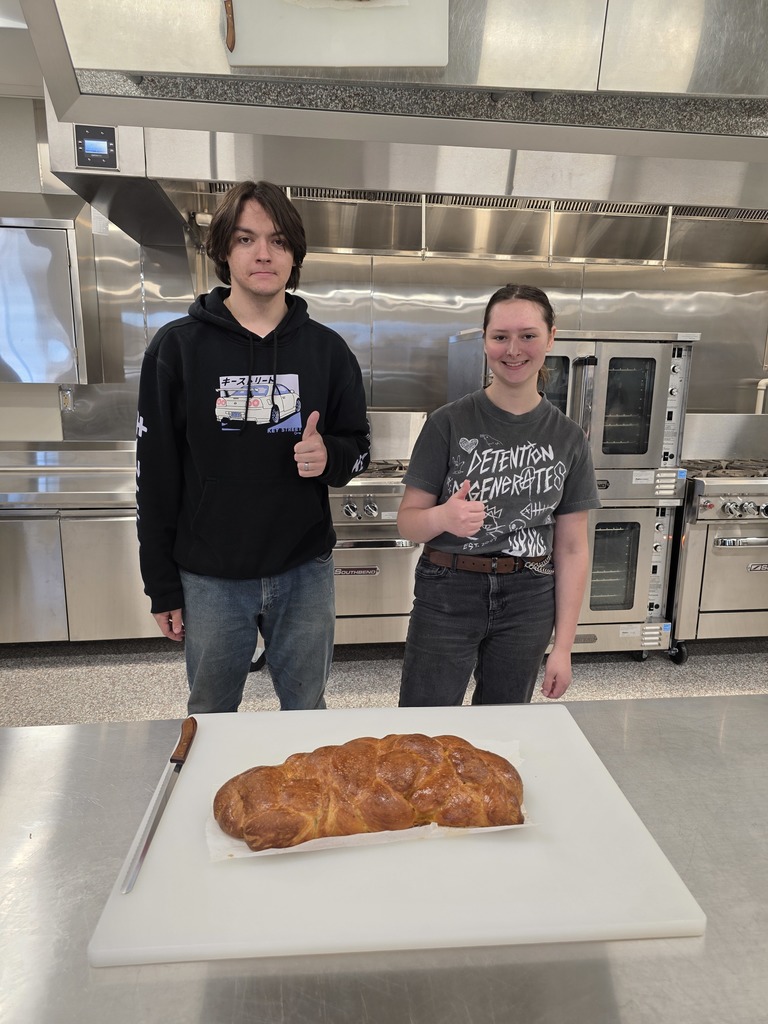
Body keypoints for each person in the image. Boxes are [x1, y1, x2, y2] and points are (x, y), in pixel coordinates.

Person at [135, 180, 370, 714]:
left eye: (278, 240)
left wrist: (329, 456)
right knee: (211, 715)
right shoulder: (177, 349)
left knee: (307, 712)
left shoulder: (329, 352)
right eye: (246, 239)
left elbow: (358, 448)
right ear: (224, 250)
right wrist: (162, 586)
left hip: (303, 570)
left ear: (294, 255)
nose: (263, 253)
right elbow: (156, 476)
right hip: (211, 576)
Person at [398, 283, 600, 707]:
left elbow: (572, 548)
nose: (514, 349)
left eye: (528, 335)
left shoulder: (568, 437)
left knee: (504, 722)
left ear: (550, 338)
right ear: (485, 339)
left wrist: (563, 647)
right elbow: (409, 520)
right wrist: (442, 519)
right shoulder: (446, 423)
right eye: (500, 336)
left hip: (529, 595)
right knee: (424, 723)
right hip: (447, 590)